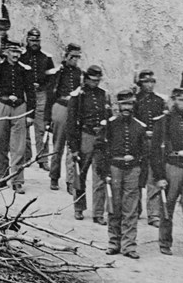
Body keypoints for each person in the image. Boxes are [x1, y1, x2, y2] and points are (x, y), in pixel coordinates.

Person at [150, 87, 183, 260]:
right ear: (172, 101)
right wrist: (159, 177)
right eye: (180, 100)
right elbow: (154, 152)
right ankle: (165, 243)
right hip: (171, 166)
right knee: (168, 207)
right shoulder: (163, 122)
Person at [99, 89, 148, 259]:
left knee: (131, 209)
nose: (126, 107)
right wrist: (104, 172)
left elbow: (145, 154)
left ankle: (129, 246)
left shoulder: (140, 127)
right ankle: (113, 243)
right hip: (114, 168)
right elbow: (101, 150)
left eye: (129, 104)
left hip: (133, 170)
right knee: (114, 207)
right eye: (123, 104)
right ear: (118, 106)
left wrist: (142, 177)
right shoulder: (109, 125)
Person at [66, 64, 111, 222]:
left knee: (100, 175)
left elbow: (109, 116)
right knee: (81, 175)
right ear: (86, 79)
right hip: (85, 136)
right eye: (93, 80)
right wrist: (74, 147)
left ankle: (98, 213)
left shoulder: (103, 95)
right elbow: (71, 123)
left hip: (101, 138)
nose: (96, 83)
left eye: (98, 80)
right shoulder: (78, 96)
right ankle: (79, 208)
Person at [0, 36, 35, 192]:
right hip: (2, 106)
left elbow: (30, 92)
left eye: (18, 52)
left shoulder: (25, 69)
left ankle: (17, 180)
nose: (15, 55)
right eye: (12, 52)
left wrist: (30, 114)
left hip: (20, 107)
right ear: (6, 52)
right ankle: (1, 176)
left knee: (19, 145)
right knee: (1, 142)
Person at [46, 44, 84, 191]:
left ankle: (70, 180)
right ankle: (54, 177)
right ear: (66, 56)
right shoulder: (58, 72)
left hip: (74, 109)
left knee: (72, 145)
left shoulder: (79, 73)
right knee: (58, 144)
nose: (75, 60)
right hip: (60, 106)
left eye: (77, 57)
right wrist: (48, 117)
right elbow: (51, 93)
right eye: (72, 56)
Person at [133, 70, 168, 225]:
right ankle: (135, 209)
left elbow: (163, 122)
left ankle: (154, 214)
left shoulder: (159, 101)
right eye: (147, 82)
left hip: (154, 143)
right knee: (137, 176)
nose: (150, 85)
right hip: (138, 143)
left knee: (154, 175)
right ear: (140, 83)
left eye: (152, 81)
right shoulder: (134, 101)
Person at [20, 28, 55, 169]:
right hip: (25, 93)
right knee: (24, 125)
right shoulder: (22, 56)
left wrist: (42, 86)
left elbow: (51, 78)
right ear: (27, 40)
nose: (34, 43)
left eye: (37, 40)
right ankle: (26, 156)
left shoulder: (46, 57)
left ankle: (42, 158)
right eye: (32, 40)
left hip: (41, 93)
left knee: (40, 126)